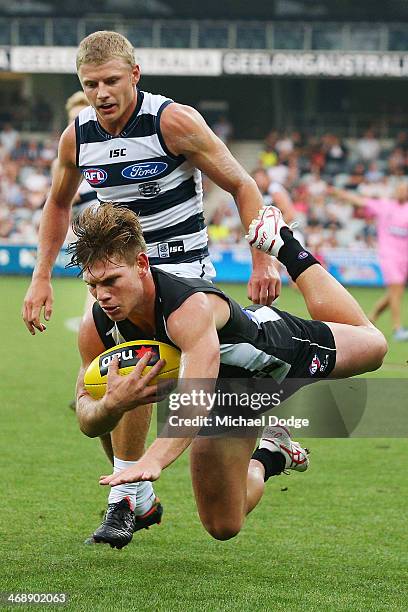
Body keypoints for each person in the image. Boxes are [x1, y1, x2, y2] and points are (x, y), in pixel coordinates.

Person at [21, 30, 280, 547]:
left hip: (183, 279)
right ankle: (131, 496)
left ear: (134, 75)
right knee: (102, 384)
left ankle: (140, 493)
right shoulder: (77, 136)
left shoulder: (173, 121)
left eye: (111, 81)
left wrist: (261, 260)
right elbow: (56, 203)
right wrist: (41, 275)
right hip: (123, 276)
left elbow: (243, 185)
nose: (101, 93)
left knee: (132, 366)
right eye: (90, 84)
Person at [70, 203, 386, 542]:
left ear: (142, 265)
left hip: (276, 357)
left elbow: (194, 400)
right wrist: (110, 406)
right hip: (231, 400)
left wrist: (154, 459)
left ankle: (287, 247)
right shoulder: (96, 327)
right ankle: (272, 454)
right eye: (93, 285)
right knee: (223, 525)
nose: (102, 296)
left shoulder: (187, 306)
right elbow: (86, 413)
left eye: (112, 281)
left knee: (374, 346)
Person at [331, 183, 408, 341]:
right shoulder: (385, 206)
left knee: (394, 292)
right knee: (396, 289)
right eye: (400, 189)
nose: (402, 192)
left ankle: (371, 318)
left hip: (404, 257)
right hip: (388, 255)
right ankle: (397, 329)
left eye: (405, 190)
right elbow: (360, 201)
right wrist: (339, 193)